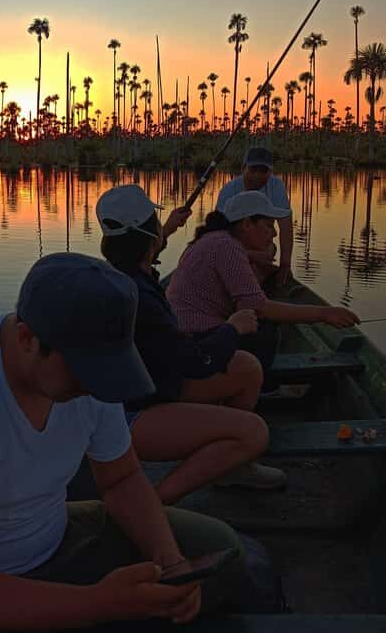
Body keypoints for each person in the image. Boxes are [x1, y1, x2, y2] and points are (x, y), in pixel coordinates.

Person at [0, 252, 246, 633]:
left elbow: (122, 480)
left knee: (216, 553)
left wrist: (170, 562)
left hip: (55, 541)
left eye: (108, 369)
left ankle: (78, 622)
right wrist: (100, 605)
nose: (96, 386)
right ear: (27, 340)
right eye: (85, 372)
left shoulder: (93, 370)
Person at [96, 184, 283, 494]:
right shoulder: (141, 298)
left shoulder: (122, 274)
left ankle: (232, 468)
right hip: (131, 416)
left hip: (152, 386)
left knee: (246, 368)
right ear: (148, 235)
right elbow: (197, 363)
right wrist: (232, 327)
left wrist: (167, 229)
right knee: (254, 433)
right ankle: (155, 502)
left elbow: (180, 355)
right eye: (155, 224)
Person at [166, 192, 359, 370]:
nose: (274, 234)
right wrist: (325, 314)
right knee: (264, 331)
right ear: (247, 224)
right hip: (195, 339)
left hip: (182, 335)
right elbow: (259, 308)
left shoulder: (214, 240)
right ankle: (261, 389)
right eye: (269, 226)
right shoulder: (226, 246)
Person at [216, 147, 293, 288]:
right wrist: (247, 255)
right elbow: (218, 234)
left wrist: (285, 264)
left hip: (260, 245)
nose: (257, 175)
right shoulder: (229, 190)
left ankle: (254, 283)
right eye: (253, 169)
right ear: (243, 168)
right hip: (231, 246)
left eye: (263, 171)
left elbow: (286, 225)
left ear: (270, 172)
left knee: (270, 250)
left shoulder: (276, 186)